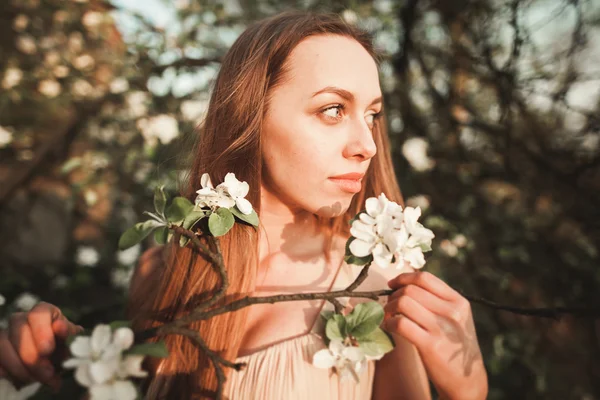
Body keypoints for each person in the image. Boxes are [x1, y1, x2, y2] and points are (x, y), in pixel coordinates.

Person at [0, 11, 488, 400]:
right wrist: (64, 350)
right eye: (332, 109)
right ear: (250, 118)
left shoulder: (381, 285)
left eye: (372, 115)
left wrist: (467, 391)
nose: (367, 144)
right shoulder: (165, 268)